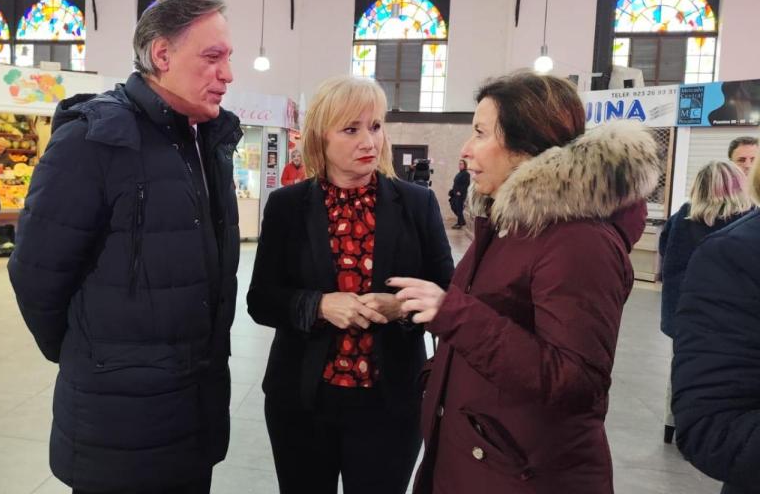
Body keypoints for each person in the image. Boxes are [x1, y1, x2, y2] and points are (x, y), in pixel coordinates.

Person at [9, 0, 239, 494]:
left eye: (228, 58)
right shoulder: (94, 140)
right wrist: (92, 354)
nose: (227, 74)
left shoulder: (207, 144)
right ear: (162, 55)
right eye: (212, 57)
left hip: (193, 407)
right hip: (116, 421)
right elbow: (36, 274)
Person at [390, 73, 660, 494]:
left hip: (524, 474)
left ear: (526, 145)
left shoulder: (578, 240)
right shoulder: (510, 223)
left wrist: (456, 314)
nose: (465, 150)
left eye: (480, 133)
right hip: (481, 457)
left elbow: (577, 381)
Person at [247, 76, 454, 494]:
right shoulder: (288, 207)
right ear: (321, 137)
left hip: (389, 401)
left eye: (375, 126)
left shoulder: (416, 203)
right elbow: (262, 300)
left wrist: (401, 308)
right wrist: (320, 306)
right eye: (351, 129)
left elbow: (448, 296)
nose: (369, 142)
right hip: (303, 400)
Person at [672, 149, 760, 494]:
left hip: (692, 318)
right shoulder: (736, 250)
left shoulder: (686, 219)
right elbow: (711, 424)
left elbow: (671, 263)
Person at [658, 160, 753, 444]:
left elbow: (665, 253)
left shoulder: (682, 218)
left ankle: (672, 425)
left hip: (683, 313)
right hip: (733, 318)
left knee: (682, 368)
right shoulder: (748, 220)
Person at [448, 159, 470, 229]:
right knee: (453, 205)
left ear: (465, 165)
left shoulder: (466, 174)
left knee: (458, 208)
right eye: (459, 164)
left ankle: (460, 223)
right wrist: (453, 190)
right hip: (455, 193)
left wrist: (460, 192)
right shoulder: (459, 173)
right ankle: (462, 221)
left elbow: (466, 184)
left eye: (461, 164)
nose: (460, 165)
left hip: (460, 194)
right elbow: (456, 183)